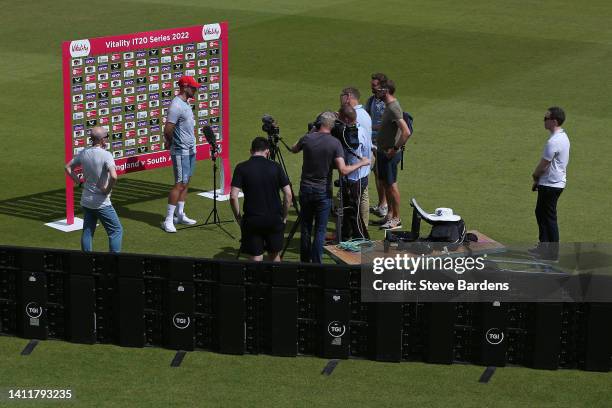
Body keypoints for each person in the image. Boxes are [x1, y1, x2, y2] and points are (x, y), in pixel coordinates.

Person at [290, 111, 370, 263]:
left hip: (306, 189)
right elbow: (343, 170)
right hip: (322, 192)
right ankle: (317, 263)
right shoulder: (335, 143)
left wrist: (312, 130)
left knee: (306, 227)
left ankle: (304, 262)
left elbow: (294, 148)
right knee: (320, 229)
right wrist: (362, 163)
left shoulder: (307, 138)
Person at [230, 137, 292, 262]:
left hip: (252, 219)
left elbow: (233, 196)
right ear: (267, 151)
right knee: (274, 255)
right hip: (274, 219)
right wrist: (284, 217)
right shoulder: (276, 167)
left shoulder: (241, 168)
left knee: (255, 257)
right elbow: (288, 194)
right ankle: (275, 280)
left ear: (251, 151)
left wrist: (238, 218)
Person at [64, 126, 123, 253]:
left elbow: (68, 167)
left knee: (88, 231)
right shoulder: (106, 155)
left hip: (86, 200)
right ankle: (114, 262)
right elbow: (114, 176)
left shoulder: (84, 152)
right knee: (116, 230)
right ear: (102, 140)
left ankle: (86, 262)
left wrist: (79, 183)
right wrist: (107, 190)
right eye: (106, 137)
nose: (107, 139)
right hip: (101, 202)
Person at [530, 107, 570, 260]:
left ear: (554, 121)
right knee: (541, 213)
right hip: (552, 183)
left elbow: (543, 165)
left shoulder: (553, 141)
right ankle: (544, 247)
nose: (543, 121)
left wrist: (535, 177)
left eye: (546, 118)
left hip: (551, 184)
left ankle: (551, 252)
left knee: (548, 217)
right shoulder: (563, 136)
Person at [162, 75, 199, 233]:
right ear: (185, 87)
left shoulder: (186, 103)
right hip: (181, 151)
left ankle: (180, 214)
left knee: (186, 182)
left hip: (190, 149)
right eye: (193, 87)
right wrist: (172, 143)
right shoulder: (176, 106)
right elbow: (168, 129)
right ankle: (168, 220)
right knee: (179, 184)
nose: (196, 90)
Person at [372, 78, 411, 230]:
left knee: (392, 185)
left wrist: (394, 149)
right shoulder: (388, 106)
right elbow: (384, 126)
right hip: (382, 152)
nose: (375, 91)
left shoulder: (394, 107)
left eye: (378, 89)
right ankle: (389, 215)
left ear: (385, 91)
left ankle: (396, 219)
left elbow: (406, 132)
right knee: (385, 184)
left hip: (390, 154)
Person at [336, 104, 371, 239]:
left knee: (353, 212)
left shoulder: (352, 136)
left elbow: (352, 155)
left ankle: (363, 240)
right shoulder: (360, 129)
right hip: (361, 175)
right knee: (349, 210)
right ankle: (345, 236)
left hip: (354, 178)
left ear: (346, 119)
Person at [365, 73, 389, 219]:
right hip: (371, 143)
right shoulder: (371, 100)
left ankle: (385, 206)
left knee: (382, 175)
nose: (372, 87)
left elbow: (387, 124)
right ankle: (381, 204)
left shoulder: (386, 103)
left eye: (374, 85)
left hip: (382, 144)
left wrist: (370, 128)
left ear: (382, 86)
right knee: (377, 174)